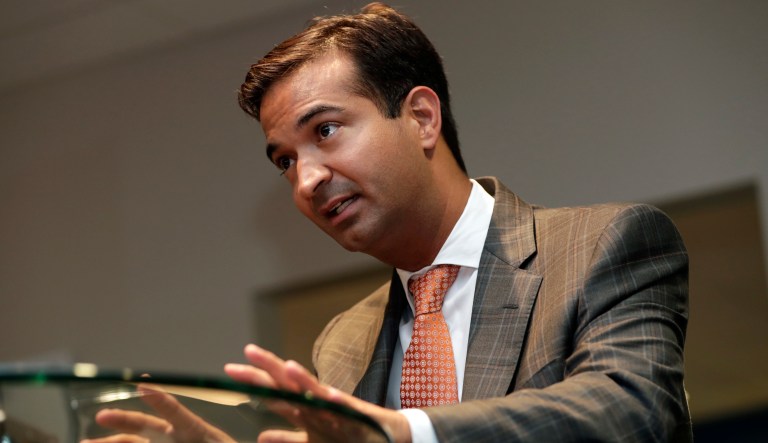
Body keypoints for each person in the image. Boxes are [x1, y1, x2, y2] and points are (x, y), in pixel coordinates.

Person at [92, 2, 692, 442]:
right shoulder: (343, 342)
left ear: (422, 118)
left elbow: (635, 410)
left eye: (324, 130)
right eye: (285, 161)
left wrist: (406, 434)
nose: (305, 181)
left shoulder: (602, 246)